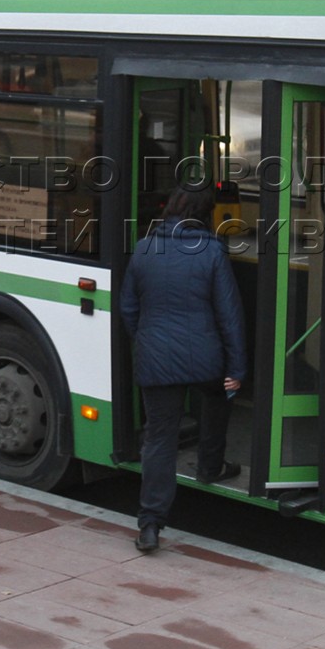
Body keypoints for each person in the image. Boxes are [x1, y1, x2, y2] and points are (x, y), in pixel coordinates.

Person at [118, 180, 247, 553]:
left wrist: (146, 341)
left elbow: (128, 309)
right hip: (205, 359)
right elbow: (230, 318)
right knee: (219, 395)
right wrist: (236, 370)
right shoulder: (212, 253)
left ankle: (150, 525)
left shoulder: (144, 249)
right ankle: (210, 466)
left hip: (156, 360)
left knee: (160, 439)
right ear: (205, 214)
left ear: (170, 208)